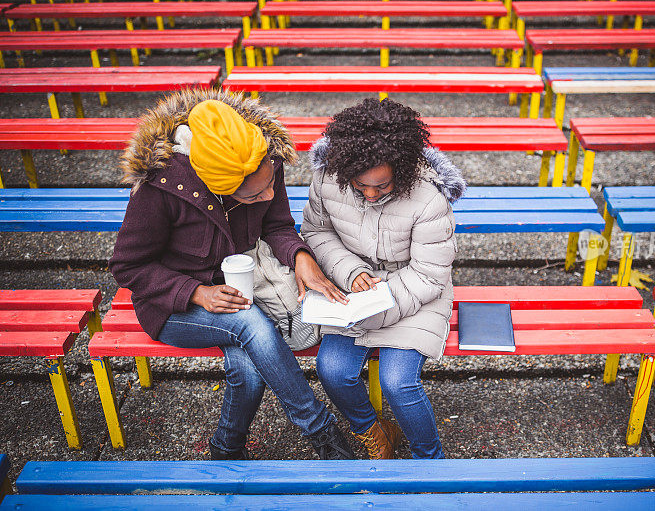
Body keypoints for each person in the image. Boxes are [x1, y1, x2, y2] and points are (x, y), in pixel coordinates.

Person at [109, 89, 354, 461]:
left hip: (242, 289)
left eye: (271, 182)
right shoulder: (162, 188)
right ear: (216, 188)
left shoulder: (263, 161)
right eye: (255, 196)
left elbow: (278, 226)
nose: (269, 193)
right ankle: (322, 432)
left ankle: (226, 449)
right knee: (250, 325)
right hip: (174, 306)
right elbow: (128, 267)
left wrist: (300, 254)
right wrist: (196, 292)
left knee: (250, 370)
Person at [301, 98, 466, 460]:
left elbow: (428, 274)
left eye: (383, 185)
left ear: (403, 170)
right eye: (361, 186)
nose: (371, 194)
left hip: (415, 292)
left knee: (399, 382)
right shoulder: (329, 175)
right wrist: (351, 271)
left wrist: (377, 306)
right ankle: (374, 431)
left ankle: (429, 457)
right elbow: (316, 232)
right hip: (353, 287)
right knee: (332, 370)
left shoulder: (428, 196)